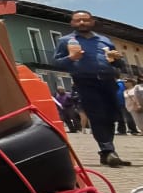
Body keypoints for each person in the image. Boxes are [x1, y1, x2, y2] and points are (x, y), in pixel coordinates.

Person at [54, 10, 131, 167]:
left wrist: (116, 60)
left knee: (111, 116)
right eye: (78, 20)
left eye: (85, 20)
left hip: (108, 81)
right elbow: (56, 63)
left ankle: (106, 153)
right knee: (97, 116)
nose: (82, 23)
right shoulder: (66, 40)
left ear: (92, 22)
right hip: (85, 82)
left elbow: (118, 64)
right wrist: (71, 58)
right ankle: (109, 150)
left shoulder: (104, 40)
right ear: (72, 23)